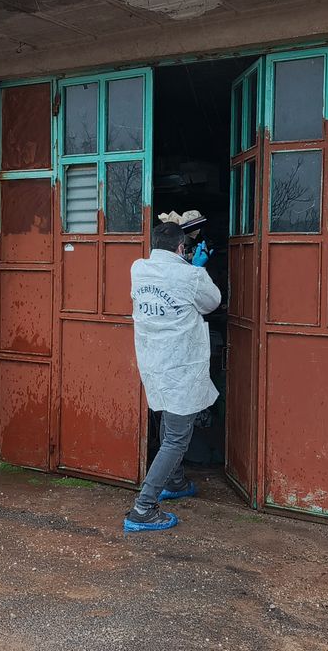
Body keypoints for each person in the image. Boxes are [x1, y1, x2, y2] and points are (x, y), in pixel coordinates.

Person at [124, 222, 220, 533]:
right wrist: (197, 268)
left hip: (154, 363)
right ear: (181, 248)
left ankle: (175, 482)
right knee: (177, 439)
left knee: (168, 417)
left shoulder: (138, 268)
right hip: (181, 367)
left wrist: (188, 266)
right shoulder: (191, 276)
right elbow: (212, 302)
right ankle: (143, 508)